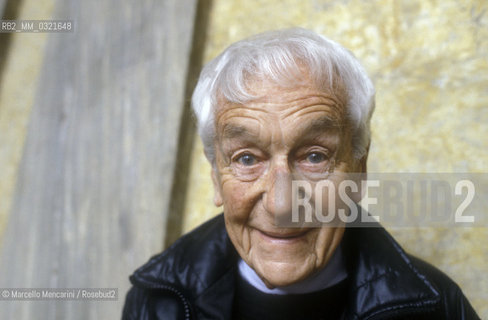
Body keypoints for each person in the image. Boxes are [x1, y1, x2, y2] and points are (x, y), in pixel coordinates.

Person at [122, 28, 479, 319]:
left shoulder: (437, 307)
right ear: (216, 175)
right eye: (247, 159)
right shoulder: (156, 302)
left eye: (314, 156)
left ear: (359, 168)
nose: (282, 205)